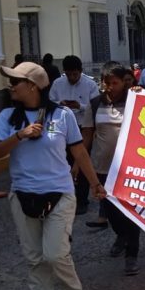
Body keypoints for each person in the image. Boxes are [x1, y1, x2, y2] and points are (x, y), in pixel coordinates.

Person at [0, 62, 105, 290]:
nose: (11, 86)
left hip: (59, 193)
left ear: (33, 86)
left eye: (15, 81)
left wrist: (95, 184)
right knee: (34, 258)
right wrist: (20, 135)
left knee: (54, 254)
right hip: (22, 195)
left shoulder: (62, 116)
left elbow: (79, 153)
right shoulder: (7, 117)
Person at [80, 63, 142, 275]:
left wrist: (141, 96)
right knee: (112, 212)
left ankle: (131, 255)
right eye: (106, 83)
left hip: (131, 169)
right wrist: (77, 165)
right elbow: (87, 137)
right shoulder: (95, 104)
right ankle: (121, 235)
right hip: (103, 169)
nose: (110, 87)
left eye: (114, 83)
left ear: (123, 82)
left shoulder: (135, 101)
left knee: (132, 213)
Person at [49, 55, 100, 215]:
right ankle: (63, 196)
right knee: (63, 162)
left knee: (82, 162)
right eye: (69, 74)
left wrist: (80, 106)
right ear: (64, 72)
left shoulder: (90, 84)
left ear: (80, 71)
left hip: (82, 126)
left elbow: (96, 106)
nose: (72, 78)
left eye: (75, 74)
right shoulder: (57, 84)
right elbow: (50, 101)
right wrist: (60, 104)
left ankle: (82, 199)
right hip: (62, 126)